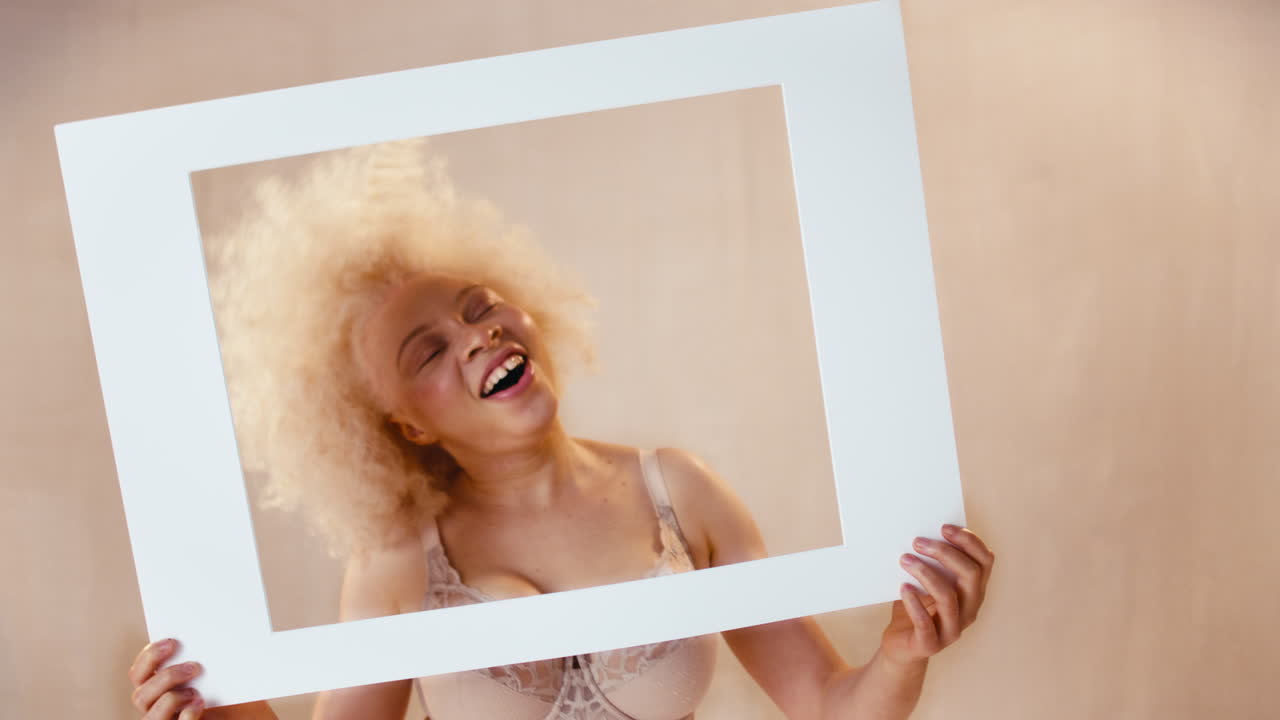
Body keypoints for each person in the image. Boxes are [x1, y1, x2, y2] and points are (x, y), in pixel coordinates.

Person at [127, 141, 994, 720]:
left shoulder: (676, 490)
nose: (479, 336)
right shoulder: (399, 559)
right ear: (401, 424)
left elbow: (829, 707)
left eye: (480, 307)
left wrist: (903, 650)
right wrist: (221, 704)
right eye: (430, 350)